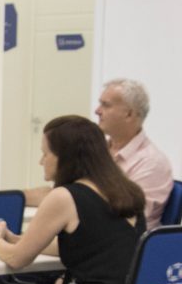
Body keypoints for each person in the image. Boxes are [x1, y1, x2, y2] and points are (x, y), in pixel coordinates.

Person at [0, 115, 145, 284]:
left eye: (45, 154)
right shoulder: (127, 192)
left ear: (64, 157)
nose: (41, 161)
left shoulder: (64, 197)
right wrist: (14, 238)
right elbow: (88, 245)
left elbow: (17, 259)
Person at [25, 79, 172, 229]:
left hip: (118, 239)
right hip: (89, 231)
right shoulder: (100, 151)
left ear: (129, 114)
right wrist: (17, 198)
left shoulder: (152, 163)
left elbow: (130, 220)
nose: (97, 111)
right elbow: (65, 194)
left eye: (106, 105)